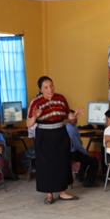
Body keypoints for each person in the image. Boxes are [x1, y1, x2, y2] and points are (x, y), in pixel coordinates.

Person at [26, 76, 83, 204]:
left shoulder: (61, 98)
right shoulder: (35, 103)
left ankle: (63, 192)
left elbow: (67, 114)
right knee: (47, 164)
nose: (49, 89)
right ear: (40, 89)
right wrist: (35, 116)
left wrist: (74, 116)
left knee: (62, 162)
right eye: (46, 87)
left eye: (51, 86)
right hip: (44, 135)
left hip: (60, 133)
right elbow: (29, 124)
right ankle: (49, 194)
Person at [66, 111, 99, 187]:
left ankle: (80, 176)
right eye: (73, 117)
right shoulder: (72, 129)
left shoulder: (71, 127)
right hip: (72, 153)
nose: (76, 119)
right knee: (94, 160)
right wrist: (86, 152)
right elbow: (77, 146)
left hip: (68, 153)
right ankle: (89, 181)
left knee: (85, 158)